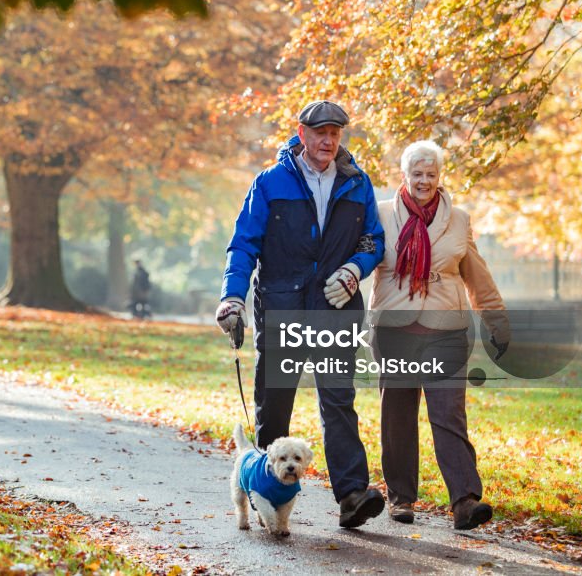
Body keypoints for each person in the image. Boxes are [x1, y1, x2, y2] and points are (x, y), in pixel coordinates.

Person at [216, 100, 387, 529]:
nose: (329, 140)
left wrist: (353, 270)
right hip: (282, 306)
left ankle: (351, 496)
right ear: (302, 133)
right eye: (321, 132)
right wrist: (232, 298)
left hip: (335, 308)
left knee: (338, 400)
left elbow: (373, 241)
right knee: (275, 403)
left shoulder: (356, 182)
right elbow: (244, 244)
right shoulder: (271, 182)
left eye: (336, 132)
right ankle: (264, 488)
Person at [368, 140, 510, 530]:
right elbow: (360, 260)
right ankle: (401, 499)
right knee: (397, 415)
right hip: (395, 328)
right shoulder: (379, 215)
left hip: (446, 329)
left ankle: (464, 500)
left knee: (448, 412)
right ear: (404, 176)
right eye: (417, 174)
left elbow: (477, 277)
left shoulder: (459, 219)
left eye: (431, 174)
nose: (424, 181)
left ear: (440, 176)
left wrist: (496, 320)